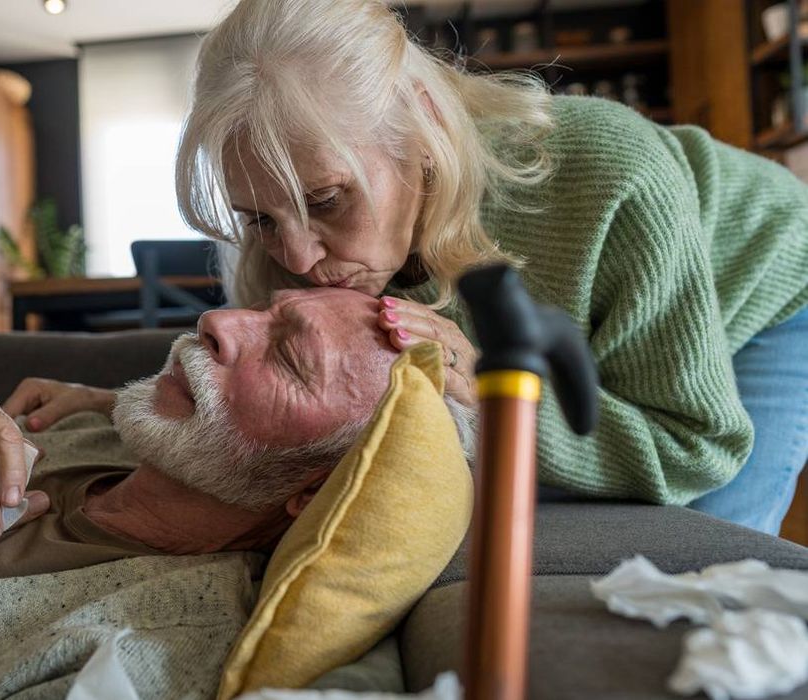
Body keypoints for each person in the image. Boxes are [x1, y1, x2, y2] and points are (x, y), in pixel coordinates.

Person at [172, 0, 808, 534]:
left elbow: (696, 445)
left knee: (708, 561)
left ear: (419, 130)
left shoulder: (610, 172)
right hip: (607, 319)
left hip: (767, 284)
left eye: (327, 200)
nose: (298, 259)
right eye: (259, 219)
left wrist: (492, 395)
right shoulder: (285, 208)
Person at [0, 288, 474, 698]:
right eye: (264, 308)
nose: (216, 321)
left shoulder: (145, 653)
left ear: (312, 494)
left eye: (285, 353)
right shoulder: (85, 430)